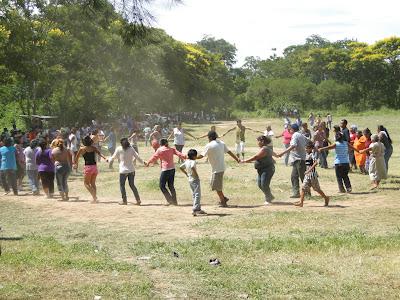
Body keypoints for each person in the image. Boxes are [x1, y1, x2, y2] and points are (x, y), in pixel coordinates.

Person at [197, 131, 240, 207]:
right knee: (215, 185)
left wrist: (191, 157)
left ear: (209, 137)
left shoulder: (209, 145)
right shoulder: (221, 143)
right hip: (221, 167)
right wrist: (237, 159)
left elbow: (201, 156)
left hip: (217, 169)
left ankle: (223, 202)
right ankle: (224, 198)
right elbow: (229, 152)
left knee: (216, 186)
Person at [145, 138, 186, 205]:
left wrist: (148, 162)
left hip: (165, 169)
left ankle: (170, 200)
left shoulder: (160, 150)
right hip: (172, 169)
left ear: (160, 144)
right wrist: (185, 156)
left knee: (162, 186)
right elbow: (179, 154)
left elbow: (154, 157)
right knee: (171, 186)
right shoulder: (171, 149)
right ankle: (175, 201)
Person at [241, 135, 278, 205]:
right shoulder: (264, 148)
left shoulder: (264, 149)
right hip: (262, 169)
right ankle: (270, 196)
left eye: (258, 141)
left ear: (262, 141)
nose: (257, 143)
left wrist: (245, 161)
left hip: (267, 169)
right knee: (260, 184)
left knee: (264, 184)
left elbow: (256, 157)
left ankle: (268, 199)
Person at [108, 137, 144, 205]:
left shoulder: (119, 148)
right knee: (132, 185)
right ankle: (138, 200)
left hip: (123, 171)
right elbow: (137, 157)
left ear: (121, 143)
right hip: (131, 170)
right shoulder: (131, 148)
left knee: (122, 185)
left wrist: (108, 160)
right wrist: (144, 162)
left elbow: (113, 157)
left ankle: (124, 201)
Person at [277, 124, 308, 198]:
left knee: (302, 177)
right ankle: (296, 193)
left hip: (299, 160)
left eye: (290, 129)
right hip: (298, 159)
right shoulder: (301, 135)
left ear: (292, 129)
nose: (289, 130)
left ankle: (306, 193)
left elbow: (293, 145)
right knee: (294, 176)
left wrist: (282, 153)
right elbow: (309, 141)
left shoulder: (295, 135)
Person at [73, 135, 107, 203]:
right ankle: (94, 198)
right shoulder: (93, 148)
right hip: (94, 167)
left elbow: (76, 158)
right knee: (93, 183)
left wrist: (75, 164)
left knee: (86, 183)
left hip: (88, 168)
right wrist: (105, 158)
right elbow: (100, 153)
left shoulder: (82, 149)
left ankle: (94, 197)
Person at [295, 141, 329, 207]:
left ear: (311, 149)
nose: (306, 149)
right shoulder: (307, 154)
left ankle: (326, 198)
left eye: (307, 148)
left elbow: (315, 163)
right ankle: (301, 202)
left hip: (312, 175)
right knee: (303, 188)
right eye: (305, 148)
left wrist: (309, 170)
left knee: (316, 189)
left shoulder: (312, 155)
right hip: (307, 175)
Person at [180, 149, 206, 216]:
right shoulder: (193, 162)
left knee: (194, 194)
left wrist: (186, 174)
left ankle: (198, 209)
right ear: (194, 156)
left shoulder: (187, 161)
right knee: (197, 194)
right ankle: (195, 209)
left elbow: (181, 167)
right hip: (194, 179)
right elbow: (192, 167)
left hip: (190, 179)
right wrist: (196, 175)